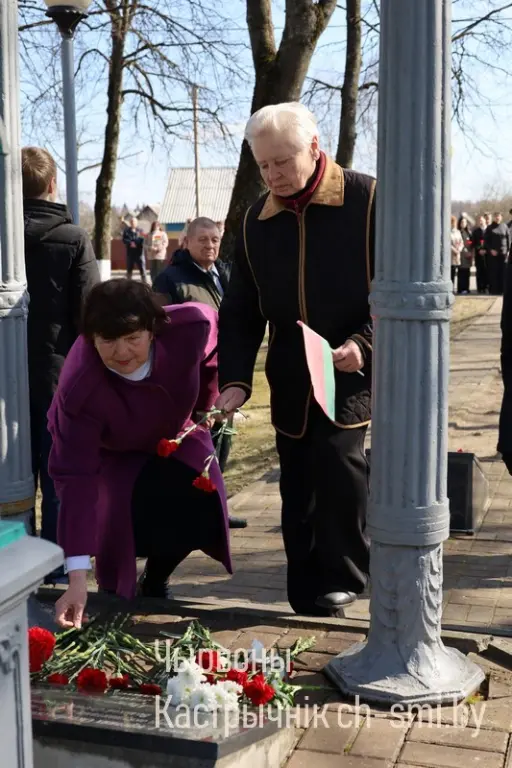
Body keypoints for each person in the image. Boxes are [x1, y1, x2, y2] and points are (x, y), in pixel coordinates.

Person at [216, 102, 375, 617]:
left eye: (282, 161)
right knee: (296, 481)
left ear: (314, 147)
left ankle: (346, 575)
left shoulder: (368, 200)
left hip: (350, 366)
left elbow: (399, 292)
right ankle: (303, 585)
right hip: (290, 369)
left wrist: (364, 343)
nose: (273, 175)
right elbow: (240, 309)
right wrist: (235, 379)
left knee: (339, 464)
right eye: (263, 165)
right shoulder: (255, 222)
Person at [48, 279, 232, 629]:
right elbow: (75, 482)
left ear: (153, 330)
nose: (122, 353)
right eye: (108, 341)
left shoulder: (192, 327)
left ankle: (157, 575)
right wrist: (76, 581)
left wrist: (209, 402)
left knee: (203, 499)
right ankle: (113, 594)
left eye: (133, 338)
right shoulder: (79, 390)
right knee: (117, 517)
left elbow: (214, 352)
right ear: (91, 338)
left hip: (176, 433)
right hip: (114, 450)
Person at [22, 146, 100, 584]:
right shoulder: (71, 238)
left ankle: (13, 563)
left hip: (5, 377)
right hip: (58, 378)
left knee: (8, 475)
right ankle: (55, 567)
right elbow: (91, 315)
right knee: (58, 474)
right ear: (53, 184)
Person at [153, 218, 247, 529]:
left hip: (225, 374)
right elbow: (160, 328)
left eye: (215, 240)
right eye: (203, 239)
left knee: (222, 443)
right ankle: (190, 513)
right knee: (193, 447)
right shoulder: (170, 279)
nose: (210, 246)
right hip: (189, 380)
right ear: (187, 242)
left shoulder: (226, 275)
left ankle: (216, 506)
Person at [485, 212, 510, 295]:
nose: (497, 218)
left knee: (503, 272)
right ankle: (494, 290)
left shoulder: (505, 226)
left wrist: (508, 250)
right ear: (494, 218)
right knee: (494, 272)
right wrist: (491, 250)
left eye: (499, 216)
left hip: (503, 253)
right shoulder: (489, 228)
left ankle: (502, 290)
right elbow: (486, 242)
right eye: (496, 216)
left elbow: (508, 239)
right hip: (493, 254)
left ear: (501, 217)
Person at [122, 217, 147, 281]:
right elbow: (124, 240)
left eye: (134, 222)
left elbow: (142, 239)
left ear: (137, 223)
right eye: (132, 222)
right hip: (130, 254)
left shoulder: (141, 231)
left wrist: (135, 243)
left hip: (139, 254)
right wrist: (130, 243)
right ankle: (128, 284)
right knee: (129, 270)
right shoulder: (126, 231)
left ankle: (145, 284)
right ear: (130, 223)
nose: (133, 223)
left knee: (142, 270)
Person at [472, 215, 488, 294]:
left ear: (485, 220)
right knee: (479, 272)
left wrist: (486, 250)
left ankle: (486, 287)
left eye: (482, 220)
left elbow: (491, 242)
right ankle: (480, 288)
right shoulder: (475, 231)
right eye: (479, 221)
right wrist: (479, 249)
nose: (480, 222)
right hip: (478, 255)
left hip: (488, 255)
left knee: (487, 271)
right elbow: (473, 243)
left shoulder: (489, 230)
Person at [457, 215, 473, 294]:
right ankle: (461, 288)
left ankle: (466, 288)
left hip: (468, 256)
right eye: (462, 222)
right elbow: (459, 243)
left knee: (467, 272)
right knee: (461, 272)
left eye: (465, 222)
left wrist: (470, 252)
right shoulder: (458, 232)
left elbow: (470, 243)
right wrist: (465, 251)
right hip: (461, 255)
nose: (463, 223)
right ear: (459, 223)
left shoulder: (468, 232)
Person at [450, 215, 463, 291]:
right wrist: (454, 250)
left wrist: (459, 249)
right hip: (451, 254)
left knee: (457, 272)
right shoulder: (447, 231)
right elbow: (448, 243)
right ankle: (451, 288)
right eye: (452, 222)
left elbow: (461, 242)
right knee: (451, 272)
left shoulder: (458, 232)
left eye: (454, 222)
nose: (453, 224)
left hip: (457, 254)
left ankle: (457, 288)